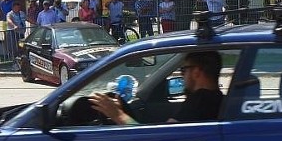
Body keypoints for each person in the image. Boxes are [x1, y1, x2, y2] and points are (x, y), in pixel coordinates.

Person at [89, 51, 224, 125]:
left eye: (184, 70)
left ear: (196, 72)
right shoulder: (216, 99)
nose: (182, 75)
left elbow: (161, 139)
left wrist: (117, 115)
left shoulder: (199, 102)